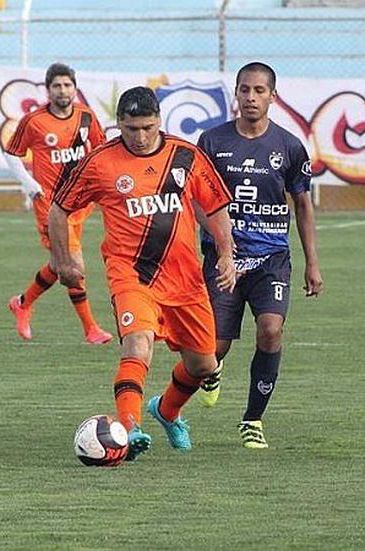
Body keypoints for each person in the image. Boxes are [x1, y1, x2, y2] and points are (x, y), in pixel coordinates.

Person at [49, 86, 237, 460]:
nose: (139, 136)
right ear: (119, 124)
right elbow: (58, 209)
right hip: (132, 274)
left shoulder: (185, 156)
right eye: (131, 128)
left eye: (147, 127)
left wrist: (227, 254)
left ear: (159, 122)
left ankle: (166, 412)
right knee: (137, 344)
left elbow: (214, 206)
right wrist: (64, 261)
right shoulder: (100, 162)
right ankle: (129, 429)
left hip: (185, 278)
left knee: (203, 364)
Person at [195, 62, 324, 449]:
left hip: (271, 260)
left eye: (259, 91)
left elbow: (302, 204)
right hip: (224, 260)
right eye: (245, 90)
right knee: (213, 349)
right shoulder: (212, 142)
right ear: (236, 93)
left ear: (272, 95)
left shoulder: (289, 146)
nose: (251, 98)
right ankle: (211, 371)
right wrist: (221, 245)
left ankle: (253, 419)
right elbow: (198, 199)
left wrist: (313, 263)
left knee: (270, 329)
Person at [2, 62, 113, 345]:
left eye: (67, 85)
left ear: (74, 88)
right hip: (51, 206)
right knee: (73, 266)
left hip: (79, 202)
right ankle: (91, 328)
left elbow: (100, 152)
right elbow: (12, 153)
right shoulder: (34, 121)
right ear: (48, 90)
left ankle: (22, 303)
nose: (63, 90)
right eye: (57, 86)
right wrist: (32, 187)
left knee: (58, 263)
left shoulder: (86, 117)